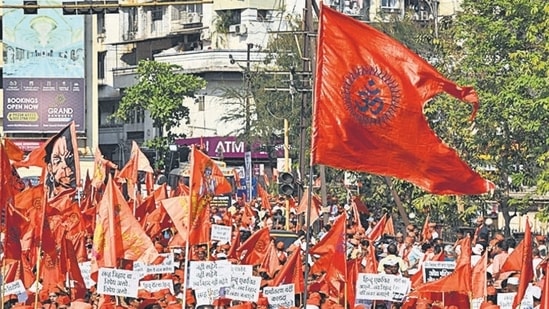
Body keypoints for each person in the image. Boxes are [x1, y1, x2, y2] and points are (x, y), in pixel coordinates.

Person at [45, 132, 76, 200]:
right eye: (57, 160)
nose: (64, 165)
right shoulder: (47, 197)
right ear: (50, 168)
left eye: (69, 158)